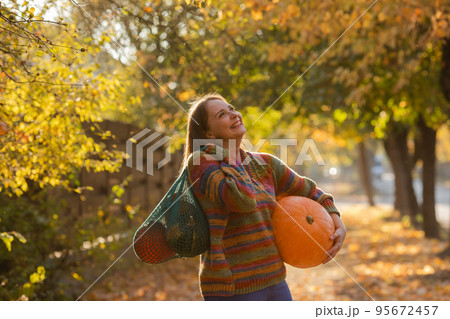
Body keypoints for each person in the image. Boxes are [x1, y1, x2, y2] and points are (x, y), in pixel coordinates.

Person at [179, 93, 346, 301]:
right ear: (209, 133)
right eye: (222, 114)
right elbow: (242, 200)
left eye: (231, 108)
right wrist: (228, 155)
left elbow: (309, 190)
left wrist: (336, 220)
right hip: (233, 288)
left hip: (275, 280)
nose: (233, 114)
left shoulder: (265, 164)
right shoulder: (201, 163)